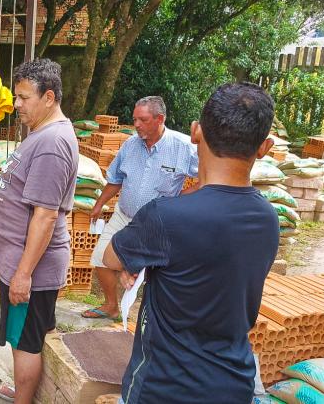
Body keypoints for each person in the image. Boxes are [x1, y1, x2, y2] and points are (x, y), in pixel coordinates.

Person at [103, 82, 278, 402]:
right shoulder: (268, 219)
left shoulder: (166, 217)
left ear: (196, 132)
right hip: (233, 385)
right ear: (264, 147)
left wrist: (139, 262)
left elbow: (112, 257)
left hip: (163, 387)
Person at [0, 58, 78, 403]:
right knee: (19, 334)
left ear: (49, 97)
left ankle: (23, 399)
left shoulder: (53, 144)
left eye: (23, 97)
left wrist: (24, 275)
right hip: (18, 263)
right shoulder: (41, 134)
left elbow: (45, 216)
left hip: (30, 269)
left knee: (26, 340)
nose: (16, 105)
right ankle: (22, 387)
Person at [82, 96, 198, 320]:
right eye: (134, 119)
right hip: (123, 215)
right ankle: (111, 306)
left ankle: (152, 317)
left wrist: (183, 196)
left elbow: (208, 176)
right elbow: (115, 179)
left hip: (156, 224)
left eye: (142, 120)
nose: (136, 125)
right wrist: (99, 204)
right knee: (99, 258)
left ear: (160, 119)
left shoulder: (183, 147)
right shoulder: (130, 145)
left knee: (152, 274)